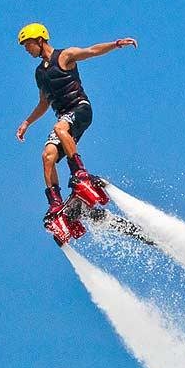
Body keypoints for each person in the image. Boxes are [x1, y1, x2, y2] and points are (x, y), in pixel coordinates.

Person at [14, 22, 138, 228]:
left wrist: (116, 44)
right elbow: (44, 103)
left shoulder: (64, 56)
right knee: (47, 156)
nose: (26, 49)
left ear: (40, 40)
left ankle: (80, 173)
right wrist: (27, 123)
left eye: (27, 44)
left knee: (59, 128)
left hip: (80, 110)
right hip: (64, 118)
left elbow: (90, 51)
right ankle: (56, 205)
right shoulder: (39, 73)